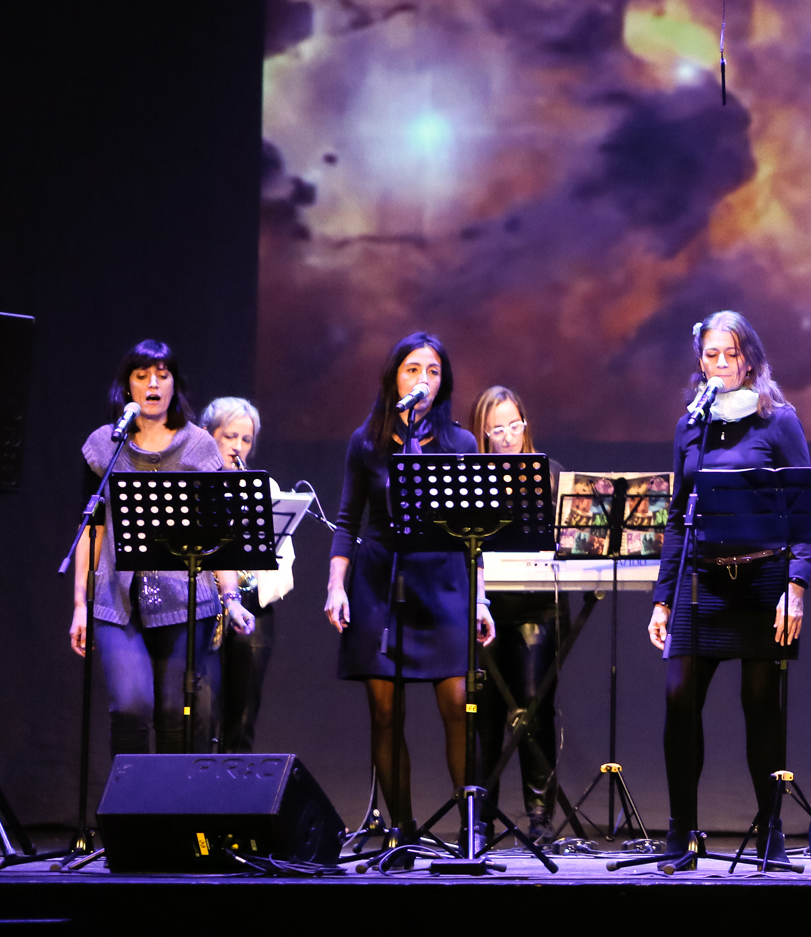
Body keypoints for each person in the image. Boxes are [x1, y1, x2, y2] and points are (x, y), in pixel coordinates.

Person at [647, 312, 811, 870]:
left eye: (731, 355)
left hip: (764, 580)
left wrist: (796, 585)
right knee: (679, 701)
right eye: (711, 355)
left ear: (750, 359)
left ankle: (771, 833)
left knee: (761, 706)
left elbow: (806, 510)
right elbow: (677, 515)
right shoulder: (690, 425)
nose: (721, 365)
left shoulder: (777, 420)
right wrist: (663, 596)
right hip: (702, 582)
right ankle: (681, 833)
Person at [324, 332, 495, 837]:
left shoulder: (460, 444)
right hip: (380, 582)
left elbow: (475, 536)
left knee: (459, 709)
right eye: (413, 369)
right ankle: (401, 829)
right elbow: (346, 520)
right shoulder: (367, 440)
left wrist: (479, 598)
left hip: (442, 583)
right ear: (394, 376)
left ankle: (470, 829)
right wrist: (337, 586)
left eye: (434, 371)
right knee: (384, 714)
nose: (423, 379)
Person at [70, 341, 255, 754]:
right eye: (142, 375)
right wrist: (81, 605)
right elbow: (91, 529)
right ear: (127, 387)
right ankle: (128, 816)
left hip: (186, 601)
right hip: (118, 601)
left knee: (176, 713)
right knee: (132, 708)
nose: (153, 384)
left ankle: (170, 817)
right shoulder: (105, 445)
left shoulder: (199, 446)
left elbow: (217, 533)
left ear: (174, 384)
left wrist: (231, 597)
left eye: (162, 374)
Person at [470, 385, 568, 845]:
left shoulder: (548, 475)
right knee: (484, 715)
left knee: (533, 708)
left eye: (514, 426)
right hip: (485, 604)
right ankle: (480, 818)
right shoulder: (470, 477)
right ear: (483, 434)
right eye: (497, 430)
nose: (507, 437)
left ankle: (539, 817)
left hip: (536, 604)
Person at [201, 397, 297, 753]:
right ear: (209, 436)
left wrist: (255, 587)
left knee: (242, 716)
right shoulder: (194, 483)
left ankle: (234, 802)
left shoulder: (264, 489)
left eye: (246, 439)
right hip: (202, 610)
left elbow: (284, 556)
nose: (239, 446)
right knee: (202, 712)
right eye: (230, 436)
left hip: (251, 608)